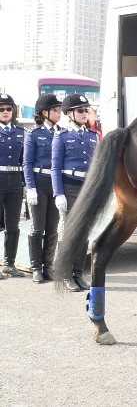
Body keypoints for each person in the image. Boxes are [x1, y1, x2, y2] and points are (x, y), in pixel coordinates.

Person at [52, 93, 98, 292]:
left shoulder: (93, 136)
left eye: (86, 110)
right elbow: (55, 167)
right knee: (70, 233)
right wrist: (58, 193)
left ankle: (78, 274)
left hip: (87, 187)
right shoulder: (61, 137)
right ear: (69, 114)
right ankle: (66, 274)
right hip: (69, 187)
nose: (84, 113)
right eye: (80, 110)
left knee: (85, 233)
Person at [23, 94, 63, 283]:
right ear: (44, 113)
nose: (59, 113)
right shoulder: (34, 134)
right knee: (37, 228)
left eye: (59, 109)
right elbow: (27, 163)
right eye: (55, 110)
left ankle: (48, 266)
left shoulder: (61, 133)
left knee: (52, 228)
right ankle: (36, 267)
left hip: (54, 184)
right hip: (39, 182)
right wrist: (30, 187)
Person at [0, 93, 26, 278]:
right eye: (1, 109)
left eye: (9, 108)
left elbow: (25, 160)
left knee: (13, 225)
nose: (5, 111)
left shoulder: (20, 131)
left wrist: (26, 184)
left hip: (15, 180)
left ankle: (9, 263)